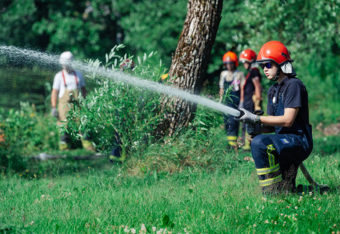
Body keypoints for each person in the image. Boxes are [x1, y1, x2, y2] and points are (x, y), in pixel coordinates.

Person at [239, 41, 313, 194]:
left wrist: (258, 119)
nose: (264, 69)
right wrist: (256, 127)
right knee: (288, 190)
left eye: (268, 65)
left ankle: (271, 192)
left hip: (298, 140)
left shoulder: (294, 86)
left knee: (261, 143)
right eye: (262, 66)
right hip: (283, 141)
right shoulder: (273, 90)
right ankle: (289, 190)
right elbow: (272, 125)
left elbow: (287, 120)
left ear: (280, 64)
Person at [51, 51, 94, 151]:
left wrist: (85, 102)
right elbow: (54, 92)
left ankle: (89, 147)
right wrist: (53, 107)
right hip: (64, 105)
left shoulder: (78, 74)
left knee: (83, 124)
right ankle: (64, 148)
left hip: (78, 104)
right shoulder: (59, 76)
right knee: (63, 125)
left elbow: (83, 90)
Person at [219, 51, 245, 149]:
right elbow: (221, 89)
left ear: (235, 63)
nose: (229, 65)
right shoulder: (223, 74)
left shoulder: (239, 74)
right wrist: (220, 101)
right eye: (227, 63)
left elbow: (242, 90)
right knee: (226, 123)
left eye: (231, 63)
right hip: (225, 103)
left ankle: (233, 145)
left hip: (235, 103)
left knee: (233, 123)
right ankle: (229, 145)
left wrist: (242, 103)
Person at [239, 49, 262, 150]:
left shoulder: (254, 71)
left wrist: (258, 102)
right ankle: (246, 144)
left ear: (250, 60)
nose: (244, 64)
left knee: (250, 124)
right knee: (246, 123)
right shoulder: (252, 71)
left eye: (245, 62)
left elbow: (257, 86)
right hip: (247, 102)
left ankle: (249, 145)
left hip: (251, 102)